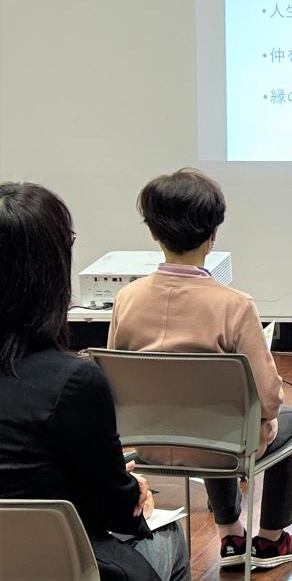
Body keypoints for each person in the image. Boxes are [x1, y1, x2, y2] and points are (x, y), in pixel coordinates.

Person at [107, 168, 292, 571]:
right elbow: (269, 400)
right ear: (213, 234)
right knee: (289, 421)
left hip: (145, 446)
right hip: (221, 449)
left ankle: (230, 533)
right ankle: (270, 539)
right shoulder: (234, 305)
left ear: (153, 233)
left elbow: (115, 380)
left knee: (218, 421)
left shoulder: (126, 300)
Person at [0, 182, 190, 581]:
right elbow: (114, 511)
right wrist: (132, 489)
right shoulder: (73, 382)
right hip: (56, 565)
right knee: (168, 536)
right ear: (51, 267)